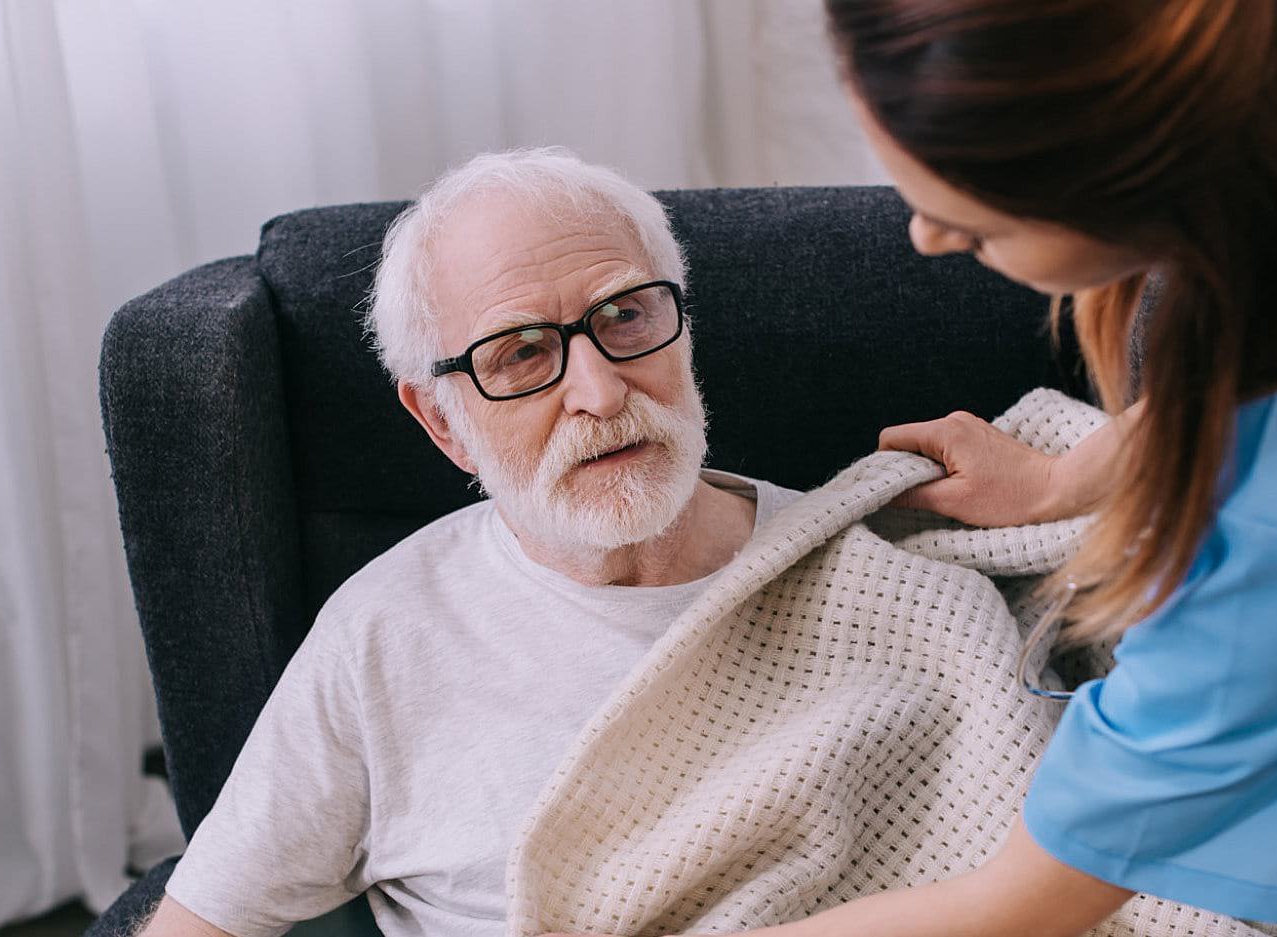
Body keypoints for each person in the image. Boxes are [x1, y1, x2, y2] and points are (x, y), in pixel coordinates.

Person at [549, 0, 1277, 935]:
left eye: (980, 220)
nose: (924, 234)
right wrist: (1069, 479)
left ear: (1142, 178)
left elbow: (1015, 904)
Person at [132, 148, 798, 937]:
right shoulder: (382, 636)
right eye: (520, 353)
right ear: (443, 422)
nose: (600, 391)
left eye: (626, 316)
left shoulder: (866, 566)